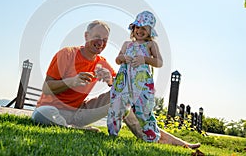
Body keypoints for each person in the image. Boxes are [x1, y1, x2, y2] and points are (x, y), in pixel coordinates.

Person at [31, 19, 200, 149]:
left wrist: (112, 80)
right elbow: (47, 87)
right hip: (52, 110)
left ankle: (158, 137)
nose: (101, 42)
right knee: (41, 114)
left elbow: (121, 90)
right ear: (86, 36)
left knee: (122, 99)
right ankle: (73, 129)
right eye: (97, 37)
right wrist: (72, 81)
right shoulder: (66, 54)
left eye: (105, 39)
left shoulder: (102, 62)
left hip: (79, 113)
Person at [107, 10, 162, 142]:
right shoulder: (127, 44)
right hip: (124, 80)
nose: (140, 30)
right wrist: (123, 57)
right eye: (138, 27)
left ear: (150, 31)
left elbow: (159, 62)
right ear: (133, 28)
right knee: (117, 104)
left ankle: (151, 136)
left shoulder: (150, 44)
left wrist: (145, 59)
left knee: (143, 109)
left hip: (141, 82)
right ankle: (113, 133)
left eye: (144, 28)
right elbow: (117, 60)